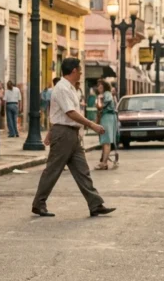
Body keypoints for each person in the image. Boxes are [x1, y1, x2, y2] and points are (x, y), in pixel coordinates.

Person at [32, 58, 116, 218]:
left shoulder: (70, 88)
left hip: (71, 134)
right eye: (80, 70)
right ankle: (38, 204)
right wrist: (92, 125)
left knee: (82, 171)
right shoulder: (62, 88)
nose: (81, 73)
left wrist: (51, 131)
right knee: (53, 170)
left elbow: (57, 112)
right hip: (64, 134)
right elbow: (70, 113)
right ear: (74, 71)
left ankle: (95, 204)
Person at [95, 80, 118, 170]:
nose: (99, 88)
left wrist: (99, 98)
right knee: (105, 140)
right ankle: (104, 161)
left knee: (106, 141)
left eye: (100, 86)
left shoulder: (107, 94)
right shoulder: (104, 95)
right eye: (98, 86)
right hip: (105, 118)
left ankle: (104, 163)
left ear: (104, 86)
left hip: (107, 117)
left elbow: (100, 106)